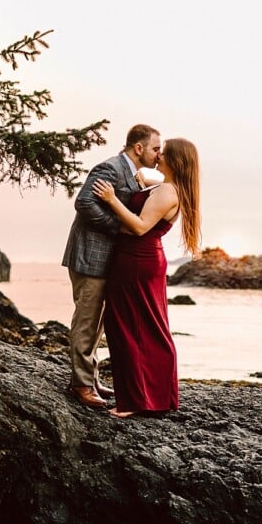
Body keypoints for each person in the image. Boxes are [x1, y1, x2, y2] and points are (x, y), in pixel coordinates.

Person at [91, 137, 201, 418]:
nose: (159, 155)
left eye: (164, 153)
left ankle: (136, 401)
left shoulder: (167, 192)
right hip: (139, 260)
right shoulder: (166, 188)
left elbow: (140, 227)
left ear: (175, 161)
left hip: (138, 260)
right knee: (144, 327)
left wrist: (111, 199)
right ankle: (154, 397)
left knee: (130, 328)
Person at [61, 124, 162, 409]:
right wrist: (116, 227)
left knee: (98, 324)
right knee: (86, 321)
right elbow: (83, 203)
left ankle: (90, 378)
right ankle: (80, 384)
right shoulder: (109, 168)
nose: (159, 154)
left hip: (108, 261)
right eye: (155, 148)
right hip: (90, 257)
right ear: (138, 147)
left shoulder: (133, 173)